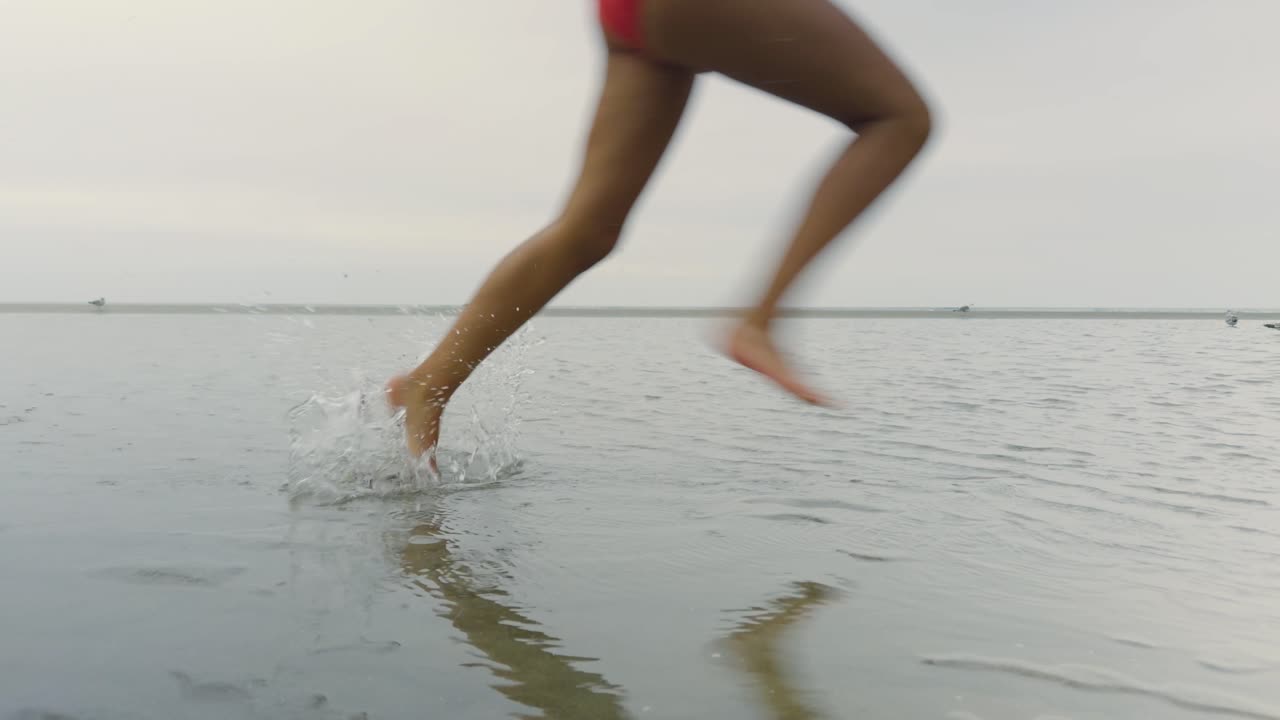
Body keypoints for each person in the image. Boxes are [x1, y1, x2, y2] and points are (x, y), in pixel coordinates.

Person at [387, 0, 933, 464]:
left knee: (589, 229)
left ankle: (429, 384)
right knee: (898, 119)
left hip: (627, 15)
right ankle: (759, 322)